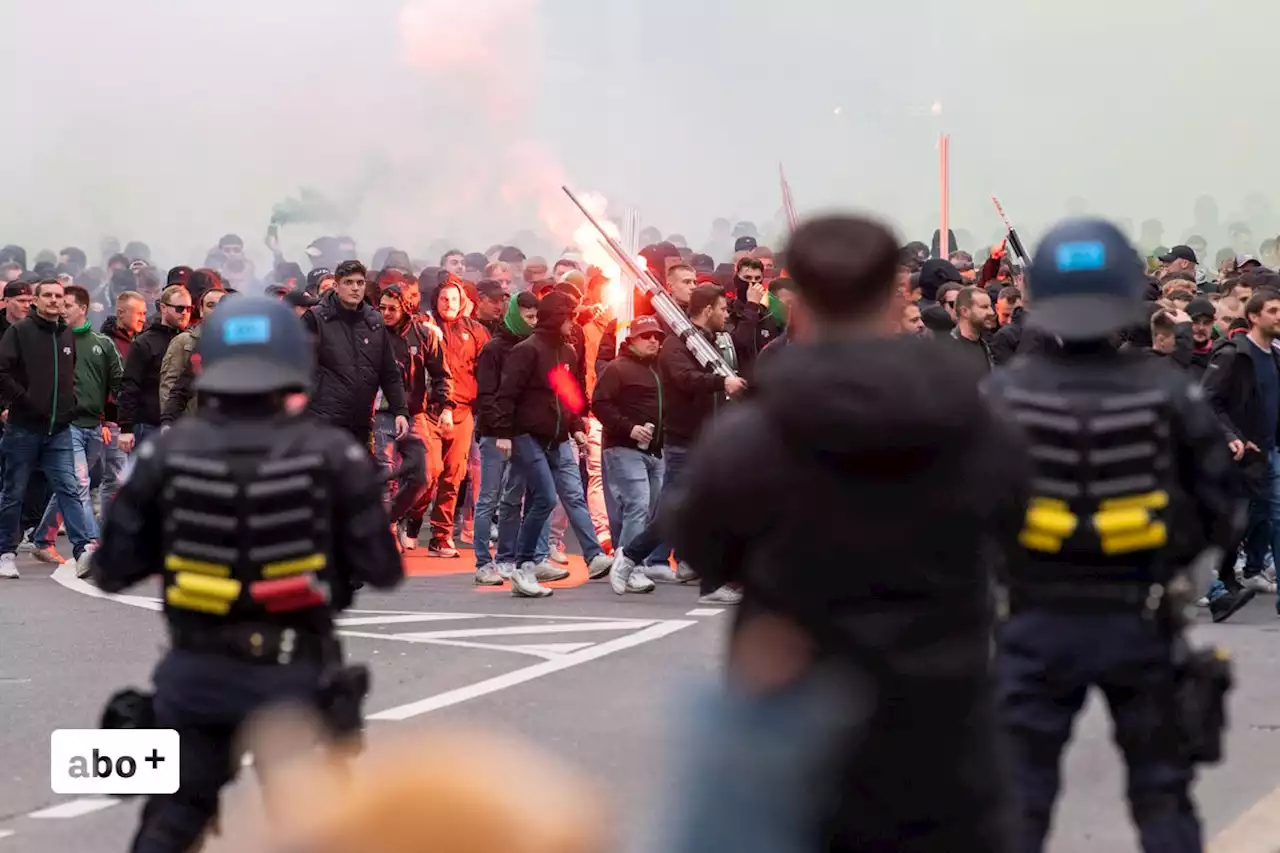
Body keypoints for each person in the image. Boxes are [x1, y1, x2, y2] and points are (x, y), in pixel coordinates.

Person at [668, 215, 1027, 852]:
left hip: (797, 710)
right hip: (944, 711)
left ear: (798, 303)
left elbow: (705, 551)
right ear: (893, 296)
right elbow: (1017, 524)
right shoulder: (975, 424)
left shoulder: (755, 438)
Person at [91, 295, 403, 853]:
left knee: (172, 819)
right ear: (296, 365)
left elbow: (112, 570)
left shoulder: (167, 454)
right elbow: (381, 569)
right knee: (320, 829)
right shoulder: (331, 454)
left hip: (196, 676)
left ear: (205, 365)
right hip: (296, 678)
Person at [985, 218, 1239, 852]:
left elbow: (957, 508)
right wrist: (1175, 568)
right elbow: (1222, 506)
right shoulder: (1169, 392)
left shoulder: (1000, 395)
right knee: (1161, 795)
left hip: (1032, 621)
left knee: (1017, 800)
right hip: (1141, 618)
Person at [492, 291, 614, 597]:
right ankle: (524, 566)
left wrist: (576, 427)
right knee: (545, 497)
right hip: (526, 434)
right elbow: (506, 394)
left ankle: (538, 564)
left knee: (554, 496)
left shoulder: (568, 352)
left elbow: (568, 395)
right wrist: (504, 432)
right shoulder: (527, 351)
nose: (573, 323)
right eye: (569, 316)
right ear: (557, 317)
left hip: (557, 435)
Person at [0, 280, 100, 578]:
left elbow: (69, 375)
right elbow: (2, 371)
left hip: (59, 429)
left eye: (59, 296)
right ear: (36, 300)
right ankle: (5, 552)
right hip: (23, 427)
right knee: (13, 492)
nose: (55, 301)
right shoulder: (19, 332)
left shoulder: (65, 333)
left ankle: (84, 552)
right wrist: (24, 400)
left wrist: (70, 406)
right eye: (49, 296)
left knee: (70, 488)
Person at [28, 285, 122, 570]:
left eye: (68, 305)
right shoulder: (51, 339)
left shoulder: (102, 343)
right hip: (65, 425)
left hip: (95, 425)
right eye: (59, 303)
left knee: (70, 486)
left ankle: (43, 539)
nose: (61, 308)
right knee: (78, 484)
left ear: (82, 309)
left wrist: (112, 419)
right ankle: (90, 545)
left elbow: (118, 382)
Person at [592, 315, 667, 594]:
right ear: (632, 339)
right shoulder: (617, 368)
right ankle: (629, 566)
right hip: (624, 448)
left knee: (650, 508)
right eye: (646, 336)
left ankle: (634, 561)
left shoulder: (658, 369)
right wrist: (629, 428)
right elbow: (599, 404)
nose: (653, 340)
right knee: (637, 504)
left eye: (656, 336)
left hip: (656, 450)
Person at [302, 260, 410, 449]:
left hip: (361, 423)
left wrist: (400, 411)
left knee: (360, 478)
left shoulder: (375, 322)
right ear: (336, 286)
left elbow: (389, 372)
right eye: (348, 282)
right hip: (324, 423)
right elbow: (299, 369)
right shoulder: (315, 319)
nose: (355, 288)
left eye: (360, 283)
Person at [118, 284, 192, 451]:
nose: (185, 313)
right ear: (164, 308)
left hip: (180, 425)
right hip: (148, 425)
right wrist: (126, 427)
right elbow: (129, 385)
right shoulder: (144, 342)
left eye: (189, 308)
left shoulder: (190, 341)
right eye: (180, 308)